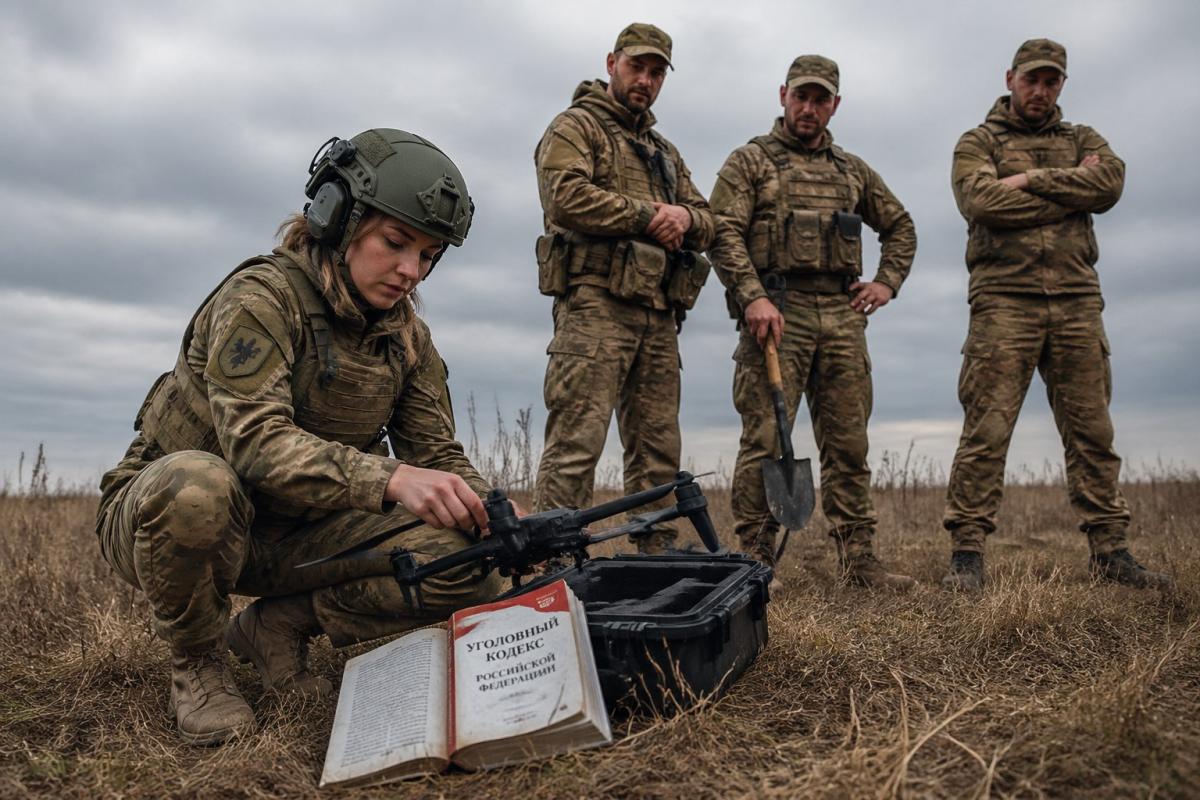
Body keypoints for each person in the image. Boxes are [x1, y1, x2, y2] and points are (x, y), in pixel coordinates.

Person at [95, 129, 505, 745]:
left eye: (428, 255)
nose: (410, 271)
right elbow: (256, 444)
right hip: (174, 523)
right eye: (395, 243)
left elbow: (437, 454)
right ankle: (198, 665)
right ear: (338, 217)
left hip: (294, 535)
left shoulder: (407, 339)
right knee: (196, 486)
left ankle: (280, 626)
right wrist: (390, 477)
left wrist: (492, 511)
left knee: (470, 558)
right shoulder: (262, 298)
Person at [940, 39, 1170, 591]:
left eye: (1051, 81)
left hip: (1076, 300)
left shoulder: (1083, 138)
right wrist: (1072, 190)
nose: (1040, 90)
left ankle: (1111, 550)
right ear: (1010, 78)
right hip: (1003, 301)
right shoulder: (979, 141)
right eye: (1031, 79)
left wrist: (1027, 179)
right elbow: (981, 202)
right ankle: (967, 553)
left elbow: (1110, 183)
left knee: (1092, 430)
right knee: (986, 430)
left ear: (1061, 84)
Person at [708, 55, 917, 590]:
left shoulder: (852, 171)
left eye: (820, 99)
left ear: (835, 105)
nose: (809, 107)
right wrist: (752, 296)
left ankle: (860, 562)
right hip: (777, 316)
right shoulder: (751, 161)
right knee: (764, 439)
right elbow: (722, 232)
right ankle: (755, 561)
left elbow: (900, 226)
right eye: (801, 95)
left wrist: (886, 283)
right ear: (783, 95)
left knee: (849, 443)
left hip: (843, 318)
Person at [531, 22, 715, 554]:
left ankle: (656, 552)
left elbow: (709, 221)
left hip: (658, 315)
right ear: (612, 63)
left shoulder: (664, 152)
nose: (646, 80)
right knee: (575, 443)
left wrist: (683, 215)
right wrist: (647, 215)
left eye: (657, 72)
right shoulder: (576, 126)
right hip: (594, 308)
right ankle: (552, 562)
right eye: (637, 67)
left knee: (657, 447)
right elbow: (565, 197)